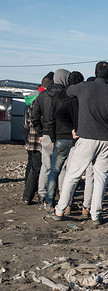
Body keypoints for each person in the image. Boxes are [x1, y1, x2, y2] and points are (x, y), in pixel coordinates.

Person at [50, 61, 108, 225]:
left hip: (86, 139)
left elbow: (65, 92)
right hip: (107, 141)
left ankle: (60, 210)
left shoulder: (83, 87)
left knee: (72, 175)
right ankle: (95, 215)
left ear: (95, 73)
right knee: (100, 179)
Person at [45, 70, 83, 211]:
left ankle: (49, 201)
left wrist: (53, 138)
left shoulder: (56, 98)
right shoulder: (76, 99)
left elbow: (50, 120)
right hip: (74, 139)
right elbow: (78, 119)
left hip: (60, 138)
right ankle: (66, 202)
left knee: (54, 171)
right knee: (70, 173)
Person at [31, 70, 68, 205]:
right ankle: (63, 197)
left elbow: (34, 117)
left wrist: (41, 132)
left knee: (46, 166)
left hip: (46, 135)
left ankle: (42, 195)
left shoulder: (42, 96)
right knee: (62, 168)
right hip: (62, 135)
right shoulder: (66, 95)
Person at [22, 72, 54, 206]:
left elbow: (28, 120)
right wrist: (42, 133)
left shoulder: (31, 97)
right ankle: (28, 196)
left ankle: (28, 191)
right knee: (37, 168)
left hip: (30, 136)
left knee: (31, 165)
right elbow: (38, 119)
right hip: (38, 138)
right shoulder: (42, 99)